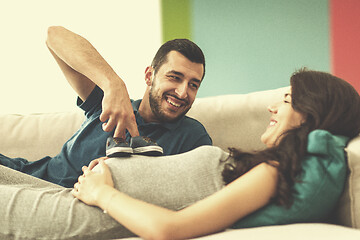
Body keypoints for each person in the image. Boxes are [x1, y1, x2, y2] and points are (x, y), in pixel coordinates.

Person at [0, 69, 359, 240]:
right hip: (83, 191)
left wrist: (103, 191)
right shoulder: (270, 169)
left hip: (87, 207)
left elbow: (170, 229)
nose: (271, 106)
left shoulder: (274, 173)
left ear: (310, 114)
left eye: (285, 99)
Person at [0, 26, 212, 188]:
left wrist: (121, 172)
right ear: (149, 75)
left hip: (67, 202)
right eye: (174, 78)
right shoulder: (111, 103)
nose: (183, 92)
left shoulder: (192, 137)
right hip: (26, 178)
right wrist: (112, 83)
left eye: (193, 85)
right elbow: (54, 36)